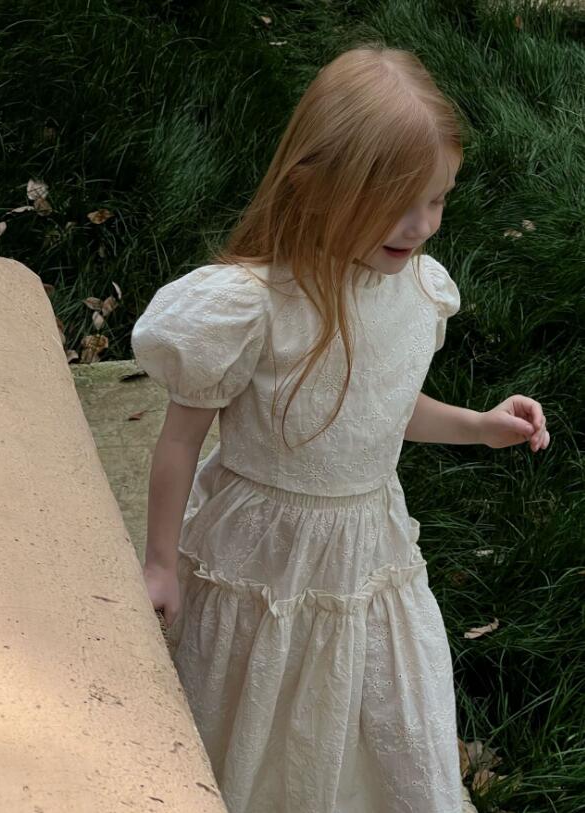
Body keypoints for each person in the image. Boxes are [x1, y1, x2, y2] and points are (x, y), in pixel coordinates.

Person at [130, 42, 550, 813]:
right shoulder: (250, 305)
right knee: (256, 715)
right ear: (314, 185)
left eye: (437, 199)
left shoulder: (416, 290)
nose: (419, 224)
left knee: (376, 706)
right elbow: (180, 441)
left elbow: (381, 409)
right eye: (394, 202)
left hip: (368, 549)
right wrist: (159, 562)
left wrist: (477, 425)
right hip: (261, 556)